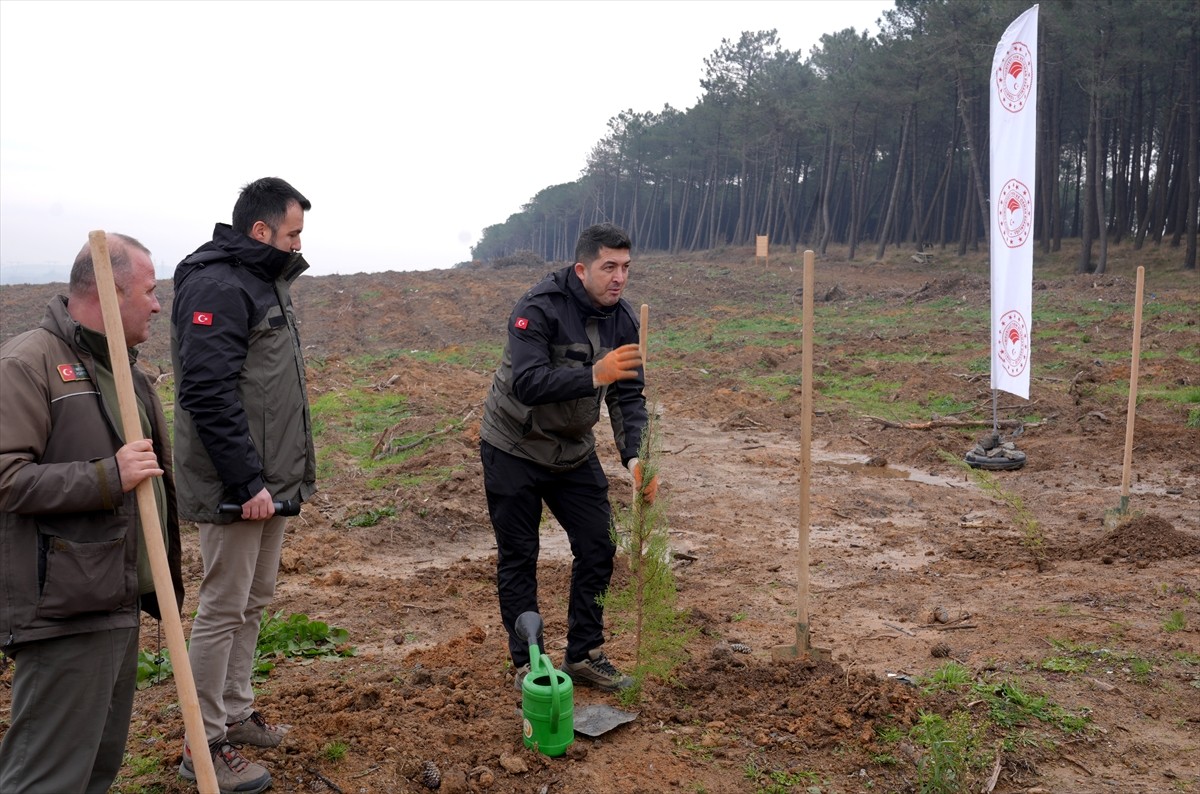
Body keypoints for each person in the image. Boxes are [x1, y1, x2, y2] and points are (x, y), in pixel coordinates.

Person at [0, 233, 184, 793]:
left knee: (96, 770)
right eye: (149, 291)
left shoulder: (123, 369)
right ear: (109, 292)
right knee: (48, 777)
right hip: (65, 606)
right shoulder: (28, 363)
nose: (158, 305)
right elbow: (6, 478)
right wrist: (108, 476)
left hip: (116, 596)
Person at [171, 177, 316, 794]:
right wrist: (247, 480)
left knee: (253, 601)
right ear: (261, 230)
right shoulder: (218, 285)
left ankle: (234, 712)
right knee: (223, 607)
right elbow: (206, 391)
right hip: (237, 485)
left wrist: (274, 480)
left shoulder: (262, 281)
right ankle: (201, 744)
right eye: (293, 233)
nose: (299, 243)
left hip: (268, 482)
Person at [480, 222, 660, 693]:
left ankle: (583, 654)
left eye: (625, 267)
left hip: (572, 450)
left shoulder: (623, 321)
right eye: (609, 267)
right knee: (520, 555)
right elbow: (528, 382)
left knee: (598, 543)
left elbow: (628, 397)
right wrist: (594, 373)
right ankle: (529, 664)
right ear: (582, 269)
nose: (619, 278)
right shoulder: (538, 308)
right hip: (513, 446)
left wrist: (636, 459)